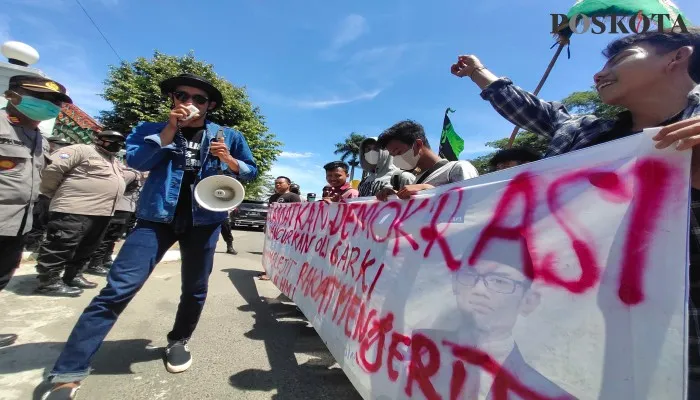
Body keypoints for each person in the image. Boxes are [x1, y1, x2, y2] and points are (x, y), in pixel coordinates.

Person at [450, 28, 700, 396]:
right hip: (566, 342)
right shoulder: (581, 134)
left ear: (677, 57)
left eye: (619, 58)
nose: (599, 73)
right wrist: (477, 72)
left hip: (677, 348)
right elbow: (529, 107)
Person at [43, 73, 257, 399]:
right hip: (155, 219)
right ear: (173, 99)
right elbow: (137, 160)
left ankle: (179, 340)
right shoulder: (149, 128)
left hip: (205, 221)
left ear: (210, 105)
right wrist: (168, 130)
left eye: (199, 99)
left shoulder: (229, 135)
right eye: (182, 96)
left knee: (195, 288)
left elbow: (250, 171)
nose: (190, 103)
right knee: (117, 289)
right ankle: (68, 372)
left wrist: (227, 160)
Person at [0, 75, 72, 348]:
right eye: (41, 98)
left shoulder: (38, 138)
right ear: (12, 95)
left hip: (17, 221)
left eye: (55, 102)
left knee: (2, 275)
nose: (50, 105)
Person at [33, 130, 127, 296]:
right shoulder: (80, 150)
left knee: (88, 246)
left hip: (103, 212)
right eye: (110, 140)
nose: (115, 144)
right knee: (62, 244)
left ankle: (73, 274)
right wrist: (51, 192)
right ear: (98, 139)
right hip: (73, 208)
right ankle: (48, 281)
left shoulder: (114, 161)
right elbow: (52, 170)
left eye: (119, 142)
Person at [375, 120, 479, 200]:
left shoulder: (458, 168)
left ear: (418, 144)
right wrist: (396, 197)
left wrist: (429, 190)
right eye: (393, 155)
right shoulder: (415, 180)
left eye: (398, 152)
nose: (396, 160)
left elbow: (471, 206)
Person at [85, 158, 144, 276]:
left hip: (127, 209)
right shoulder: (129, 173)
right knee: (107, 236)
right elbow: (116, 187)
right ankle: (95, 263)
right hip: (120, 208)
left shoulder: (136, 174)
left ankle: (106, 259)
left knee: (113, 237)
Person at [24, 136, 72, 253]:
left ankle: (32, 245)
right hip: (38, 192)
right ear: (50, 144)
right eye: (59, 144)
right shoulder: (40, 154)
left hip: (47, 195)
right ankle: (30, 245)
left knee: (40, 221)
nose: (62, 148)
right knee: (36, 220)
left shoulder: (62, 158)